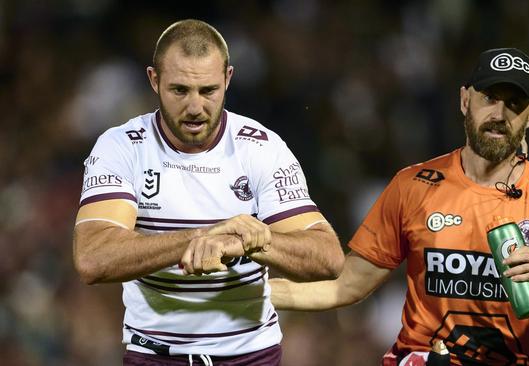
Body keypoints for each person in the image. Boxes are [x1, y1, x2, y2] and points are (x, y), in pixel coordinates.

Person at [270, 48, 529, 365]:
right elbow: (345, 285)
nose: (500, 114)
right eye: (490, 98)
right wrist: (257, 293)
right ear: (465, 100)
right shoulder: (413, 186)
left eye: (515, 103)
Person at [72, 19, 344, 366]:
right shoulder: (122, 147)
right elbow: (93, 258)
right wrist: (202, 238)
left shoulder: (261, 148)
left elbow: (328, 257)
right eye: (180, 90)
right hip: (156, 357)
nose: (196, 107)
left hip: (251, 356)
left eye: (208, 90)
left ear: (228, 79)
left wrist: (252, 242)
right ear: (154, 80)